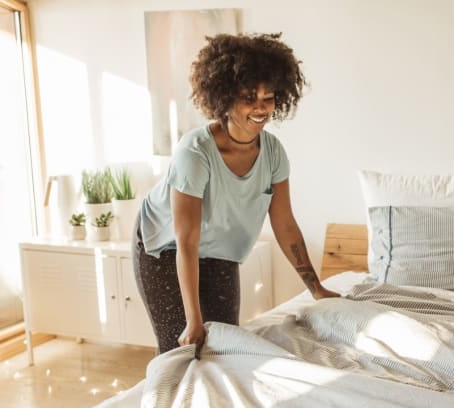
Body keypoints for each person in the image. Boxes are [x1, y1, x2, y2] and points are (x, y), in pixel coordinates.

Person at [133, 32, 339, 355]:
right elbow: (186, 242)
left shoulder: (273, 154)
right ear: (224, 99)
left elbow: (285, 225)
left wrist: (316, 289)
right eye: (248, 97)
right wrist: (193, 320)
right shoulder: (195, 154)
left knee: (225, 349)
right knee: (185, 351)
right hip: (166, 250)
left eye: (268, 97)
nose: (260, 108)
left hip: (220, 253)